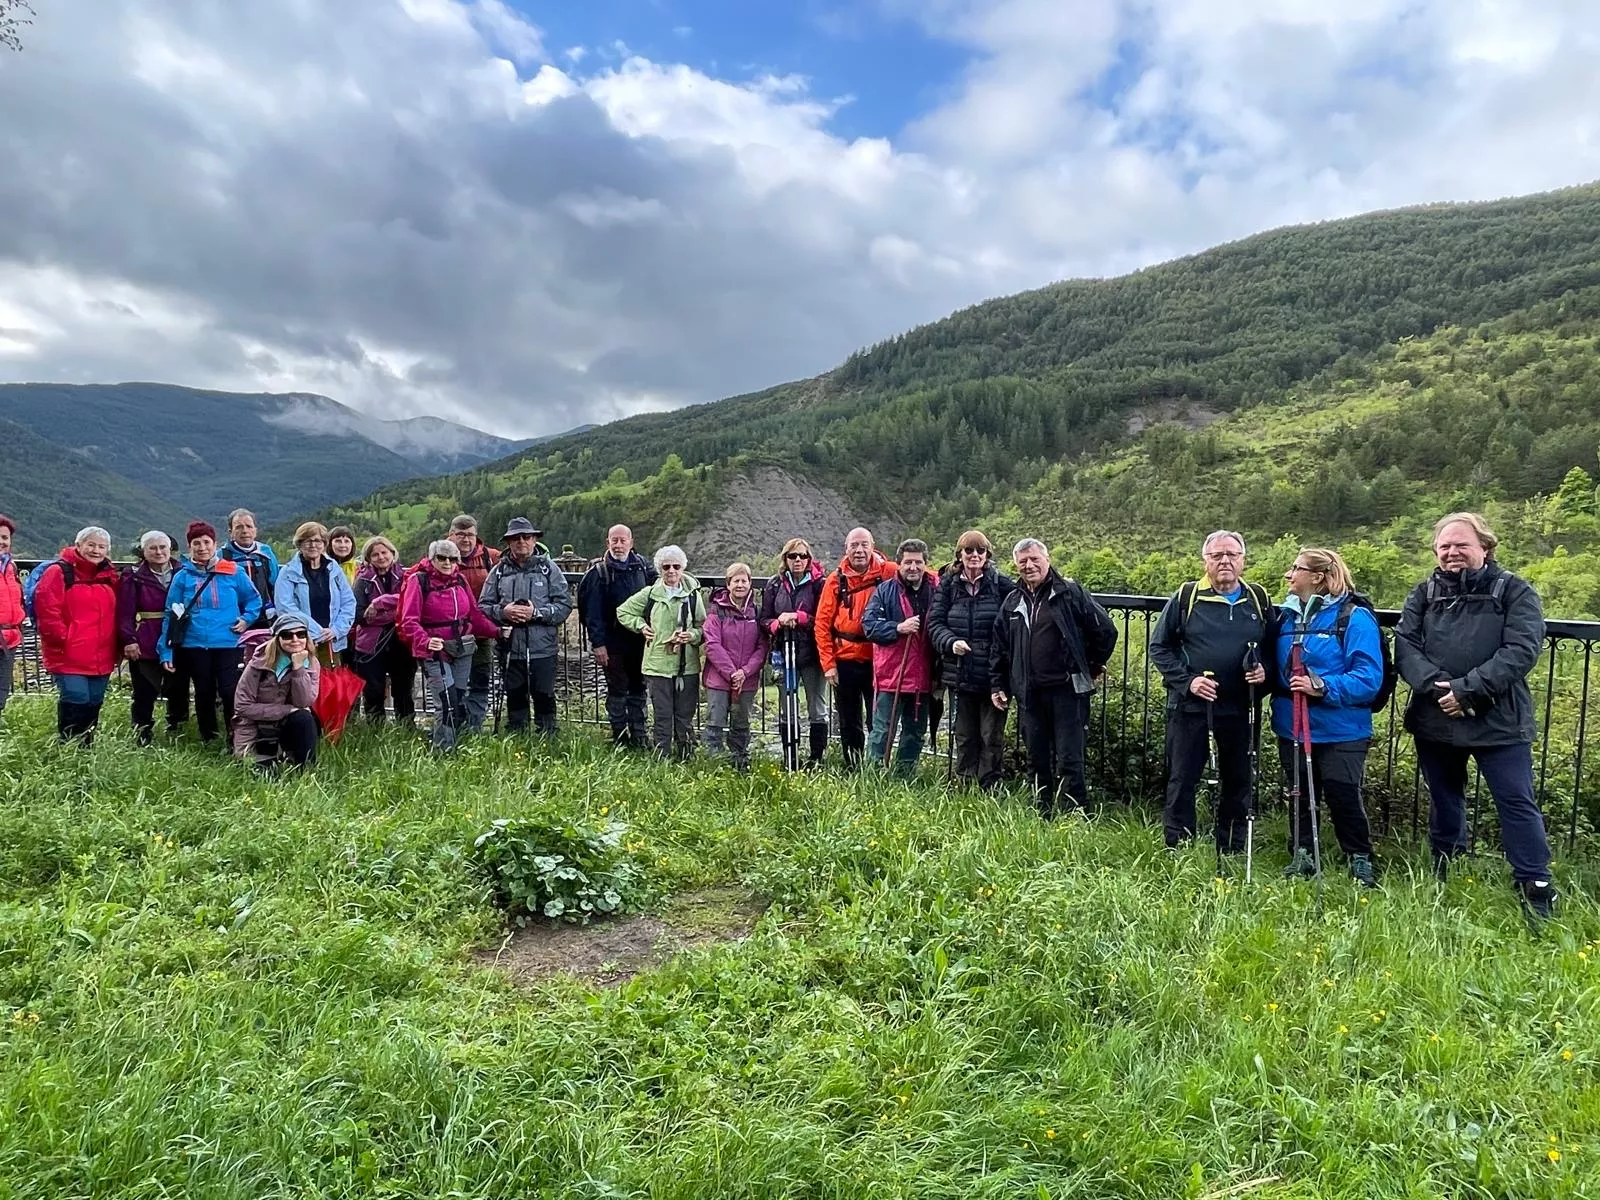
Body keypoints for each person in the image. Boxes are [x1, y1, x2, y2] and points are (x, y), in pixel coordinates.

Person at [1395, 512, 1558, 918]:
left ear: (1484, 547)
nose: (1452, 552)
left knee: (1516, 801)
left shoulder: (1515, 591)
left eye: (1461, 545)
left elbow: (1521, 650)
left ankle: (1535, 882)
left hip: (1499, 720)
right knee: (1444, 797)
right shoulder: (1423, 594)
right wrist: (1439, 689)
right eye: (1445, 546)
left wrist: (1468, 691)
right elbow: (1405, 648)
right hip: (1437, 717)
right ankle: (1446, 865)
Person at [1148, 531, 1274, 851]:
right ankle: (1178, 845)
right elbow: (1159, 647)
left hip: (1240, 708)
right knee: (1182, 778)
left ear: (1244, 560)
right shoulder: (1187, 596)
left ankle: (1231, 846)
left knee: (1239, 780)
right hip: (1191, 708)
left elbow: (1275, 650)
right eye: (1216, 556)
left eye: (1232, 555)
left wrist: (1266, 672)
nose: (1225, 561)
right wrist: (1188, 681)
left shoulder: (1258, 599)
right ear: (1205, 561)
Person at [1272, 548, 1382, 887]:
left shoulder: (1353, 617)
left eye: (1297, 569)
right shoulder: (1285, 618)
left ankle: (1359, 857)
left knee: (1343, 792)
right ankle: (1302, 853)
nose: (1289, 575)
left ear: (1318, 576)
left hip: (1342, 728)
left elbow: (1369, 677)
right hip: (1292, 724)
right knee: (1298, 794)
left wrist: (1322, 686)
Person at [989, 538, 1118, 815]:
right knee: (1036, 758)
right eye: (1023, 561)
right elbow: (999, 646)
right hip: (1030, 693)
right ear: (1016, 564)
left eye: (1035, 559)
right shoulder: (1013, 600)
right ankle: (1042, 812)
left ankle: (1076, 815)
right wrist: (998, 683)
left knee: (1070, 757)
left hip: (1067, 691)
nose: (1029, 565)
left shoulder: (1069, 593)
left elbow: (1106, 630)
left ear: (1047, 560)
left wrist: (1092, 665)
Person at [160, 520, 263, 745]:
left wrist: (246, 620)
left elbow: (254, 599)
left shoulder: (233, 571)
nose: (202, 547)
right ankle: (210, 737)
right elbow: (171, 615)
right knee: (203, 692)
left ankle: (235, 736)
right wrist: (166, 651)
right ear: (190, 547)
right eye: (196, 543)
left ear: (215, 544)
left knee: (229, 691)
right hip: (195, 644)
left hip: (228, 643)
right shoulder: (183, 577)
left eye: (206, 542)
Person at [930, 530, 1016, 790]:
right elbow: (934, 623)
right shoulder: (948, 585)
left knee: (991, 735)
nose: (975, 555)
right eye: (969, 551)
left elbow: (1014, 621)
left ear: (988, 554)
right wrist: (950, 642)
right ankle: (965, 785)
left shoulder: (1001, 584)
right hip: (961, 671)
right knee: (964, 734)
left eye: (980, 551)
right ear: (960, 554)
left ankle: (990, 786)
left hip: (994, 673)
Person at [399, 538, 504, 752]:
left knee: (456, 698)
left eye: (452, 559)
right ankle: (443, 750)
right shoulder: (418, 581)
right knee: (445, 701)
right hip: (434, 652)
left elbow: (474, 615)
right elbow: (408, 620)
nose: (447, 563)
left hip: (463, 649)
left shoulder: (460, 581)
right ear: (432, 559)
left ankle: (453, 742)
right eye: (442, 558)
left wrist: (498, 632)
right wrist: (426, 641)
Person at [479, 517, 573, 735]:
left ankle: (548, 737)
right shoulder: (498, 571)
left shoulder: (550, 569)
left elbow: (564, 605)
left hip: (543, 648)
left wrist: (537, 613)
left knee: (544, 694)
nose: (521, 541)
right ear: (509, 542)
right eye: (516, 538)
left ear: (534, 540)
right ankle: (517, 737)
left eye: (526, 537)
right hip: (510, 648)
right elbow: (483, 606)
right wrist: (504, 612)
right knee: (514, 694)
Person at [32, 525, 121, 743]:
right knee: (76, 699)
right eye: (91, 545)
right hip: (69, 653)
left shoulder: (109, 575)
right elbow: (47, 611)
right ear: (78, 545)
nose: (96, 551)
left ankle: (85, 747)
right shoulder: (58, 572)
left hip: (102, 654)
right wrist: (63, 639)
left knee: (94, 701)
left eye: (102, 547)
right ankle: (69, 746)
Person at [615, 545, 704, 760]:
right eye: (666, 567)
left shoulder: (693, 595)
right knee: (663, 716)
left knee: (684, 716)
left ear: (683, 568)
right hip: (657, 665)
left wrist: (691, 636)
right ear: (660, 569)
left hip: (687, 665)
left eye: (676, 566)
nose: (671, 571)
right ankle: (661, 760)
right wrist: (640, 626)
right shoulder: (650, 594)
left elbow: (703, 627)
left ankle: (686, 758)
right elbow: (622, 611)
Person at [816, 527, 895, 768]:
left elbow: (919, 575)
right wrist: (828, 665)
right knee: (849, 720)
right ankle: (853, 766)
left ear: (872, 547)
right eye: (854, 546)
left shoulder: (888, 572)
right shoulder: (835, 580)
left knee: (878, 718)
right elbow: (822, 624)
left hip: (878, 659)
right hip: (845, 660)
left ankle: (878, 766)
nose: (859, 551)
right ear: (846, 548)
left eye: (864, 545)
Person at [863, 539, 939, 777]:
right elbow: (869, 626)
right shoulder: (884, 592)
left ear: (926, 564)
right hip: (891, 676)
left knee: (915, 732)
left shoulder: (938, 591)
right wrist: (897, 628)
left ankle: (904, 777)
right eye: (908, 562)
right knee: (882, 731)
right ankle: (874, 778)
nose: (913, 567)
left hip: (924, 676)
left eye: (918, 562)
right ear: (899, 564)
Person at [579, 524, 656, 748]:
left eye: (623, 540)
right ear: (608, 543)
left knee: (638, 689)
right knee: (617, 691)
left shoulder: (643, 568)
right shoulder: (599, 573)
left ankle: (639, 737)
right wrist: (598, 644)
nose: (619, 545)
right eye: (615, 540)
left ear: (631, 543)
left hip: (640, 641)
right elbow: (592, 613)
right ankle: (620, 737)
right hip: (613, 644)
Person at [760, 536, 828, 767]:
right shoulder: (775, 584)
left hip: (812, 653)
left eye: (802, 556)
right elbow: (764, 619)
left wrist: (799, 618)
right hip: (784, 653)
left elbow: (823, 618)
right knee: (786, 706)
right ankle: (790, 757)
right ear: (785, 559)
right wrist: (777, 623)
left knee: (816, 707)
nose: (797, 560)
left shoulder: (820, 584)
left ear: (809, 559)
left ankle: (816, 758)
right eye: (792, 556)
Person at [117, 530, 189, 744]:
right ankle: (142, 731)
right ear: (144, 551)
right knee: (144, 689)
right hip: (145, 637)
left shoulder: (183, 571)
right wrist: (129, 639)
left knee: (178, 687)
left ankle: (178, 728)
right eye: (153, 548)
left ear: (170, 549)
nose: (159, 552)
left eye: (162, 547)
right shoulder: (133, 575)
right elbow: (124, 611)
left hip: (179, 638)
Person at [233, 612, 323, 771]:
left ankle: (305, 769)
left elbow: (303, 702)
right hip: (255, 726)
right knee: (260, 773)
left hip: (286, 725)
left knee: (305, 717)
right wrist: (286, 710)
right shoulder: (258, 663)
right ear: (277, 639)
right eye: (287, 635)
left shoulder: (312, 662)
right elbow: (242, 706)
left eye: (301, 634)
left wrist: (298, 668)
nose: (295, 640)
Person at [702, 561, 767, 770]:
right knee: (715, 723)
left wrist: (745, 672)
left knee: (741, 725)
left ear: (750, 584)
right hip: (719, 680)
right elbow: (712, 645)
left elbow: (762, 647)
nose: (740, 585)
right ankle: (715, 766)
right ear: (728, 584)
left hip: (746, 681)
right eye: (736, 581)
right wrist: (731, 673)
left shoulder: (757, 613)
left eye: (744, 580)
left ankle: (740, 764)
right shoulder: (716, 612)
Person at [351, 535, 416, 725]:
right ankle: (375, 731)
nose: (380, 557)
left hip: (401, 641)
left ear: (392, 553)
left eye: (384, 552)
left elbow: (410, 604)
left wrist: (379, 605)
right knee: (373, 690)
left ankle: (406, 728)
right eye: (375, 554)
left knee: (403, 689)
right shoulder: (363, 581)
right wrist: (395, 614)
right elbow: (359, 615)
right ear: (368, 559)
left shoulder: (407, 576)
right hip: (371, 645)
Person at [445, 515, 501, 733]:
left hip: (481, 632)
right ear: (451, 535)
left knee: (480, 678)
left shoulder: (491, 557)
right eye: (460, 535)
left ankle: (474, 725)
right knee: (452, 683)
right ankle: (453, 723)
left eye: (470, 535)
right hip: (448, 634)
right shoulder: (440, 557)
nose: (466, 540)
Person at [274, 522, 356, 666]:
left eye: (317, 540)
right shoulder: (287, 572)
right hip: (300, 642)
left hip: (332, 642)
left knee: (330, 684)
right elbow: (285, 607)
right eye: (308, 541)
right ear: (299, 544)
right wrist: (316, 632)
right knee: (303, 684)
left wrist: (336, 630)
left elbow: (348, 602)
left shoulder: (334, 569)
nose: (313, 545)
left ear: (324, 544)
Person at [219, 508, 280, 629]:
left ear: (255, 531)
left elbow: (275, 584)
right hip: (235, 619)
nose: (245, 531)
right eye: (239, 527)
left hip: (266, 617)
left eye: (249, 526)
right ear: (231, 532)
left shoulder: (265, 553)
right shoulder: (222, 556)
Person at [0, 514, 21, 725]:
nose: (1, 542)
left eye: (5, 537)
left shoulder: (10, 567)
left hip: (9, 640)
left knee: (0, 698)